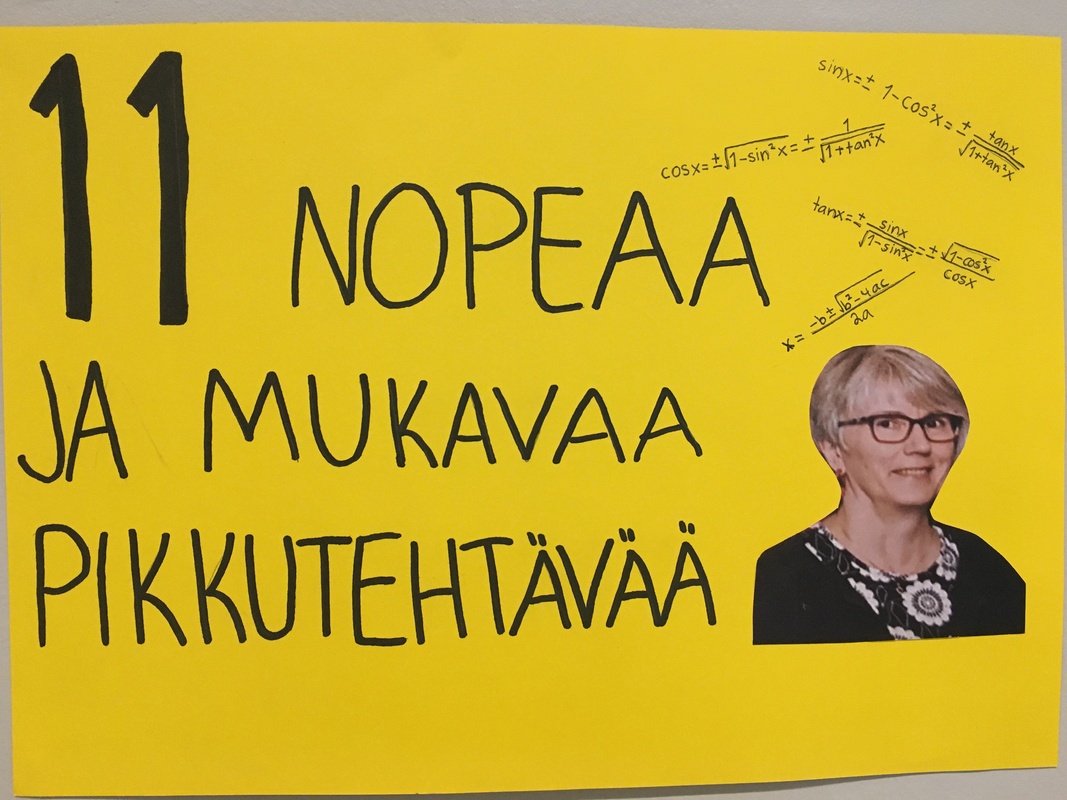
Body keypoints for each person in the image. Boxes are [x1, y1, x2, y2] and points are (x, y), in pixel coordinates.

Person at [753, 344, 1025, 644]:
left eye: (934, 422)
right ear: (833, 449)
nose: (920, 445)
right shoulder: (785, 576)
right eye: (887, 423)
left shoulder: (986, 567)